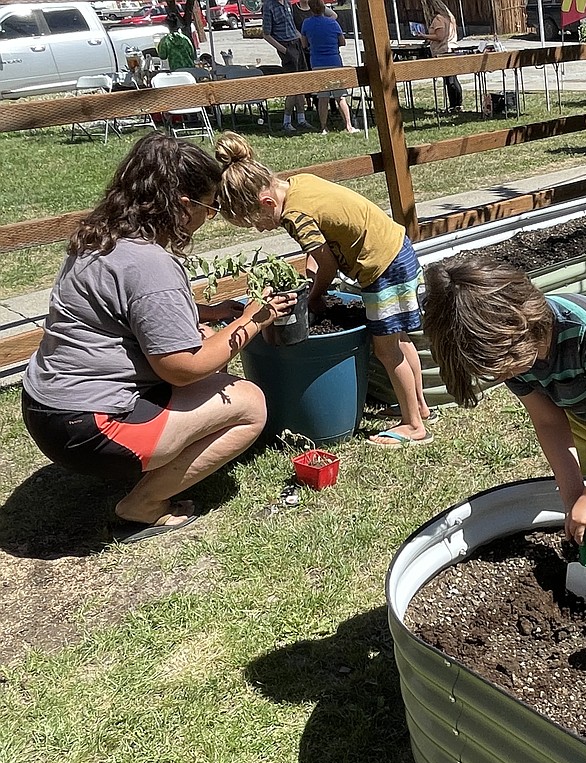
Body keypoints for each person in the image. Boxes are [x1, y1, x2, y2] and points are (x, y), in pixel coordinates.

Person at [20, 133, 296, 543]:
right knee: (250, 405)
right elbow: (182, 370)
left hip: (46, 408)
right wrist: (256, 319)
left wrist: (207, 315)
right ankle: (143, 504)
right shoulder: (151, 264)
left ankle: (142, 458)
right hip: (89, 428)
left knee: (205, 344)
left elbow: (124, 311)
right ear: (184, 206)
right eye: (210, 207)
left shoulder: (99, 235)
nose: (210, 217)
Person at [422, 254, 586, 547]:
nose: (508, 374)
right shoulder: (508, 351)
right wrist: (573, 496)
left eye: (508, 364)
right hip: (579, 408)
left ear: (522, 322)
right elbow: (549, 421)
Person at [214, 132, 433, 447]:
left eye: (256, 222)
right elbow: (318, 251)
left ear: (266, 202)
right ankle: (419, 407)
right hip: (398, 252)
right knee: (398, 340)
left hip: (381, 268)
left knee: (386, 350)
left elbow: (326, 265)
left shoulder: (294, 216)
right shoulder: (298, 185)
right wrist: (309, 279)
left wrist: (314, 297)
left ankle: (413, 426)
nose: (260, 229)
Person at [300, 0, 358, 133]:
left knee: (322, 98)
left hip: (317, 63)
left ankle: (323, 127)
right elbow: (342, 42)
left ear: (310, 8)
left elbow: (304, 44)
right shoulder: (333, 22)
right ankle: (348, 126)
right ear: (323, 8)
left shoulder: (307, 23)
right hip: (334, 61)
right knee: (340, 96)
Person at [262, 0, 312, 133]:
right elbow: (266, 34)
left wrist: (300, 37)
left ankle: (301, 119)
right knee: (292, 87)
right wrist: (284, 50)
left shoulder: (288, 3)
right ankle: (287, 121)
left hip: (296, 43)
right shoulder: (269, 6)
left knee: (300, 84)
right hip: (286, 45)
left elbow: (291, 25)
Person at [419, 0, 462, 112]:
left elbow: (440, 36)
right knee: (453, 78)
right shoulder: (449, 17)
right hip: (451, 48)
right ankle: (457, 104)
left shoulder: (439, 18)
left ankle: (454, 105)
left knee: (449, 80)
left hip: (443, 51)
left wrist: (425, 36)